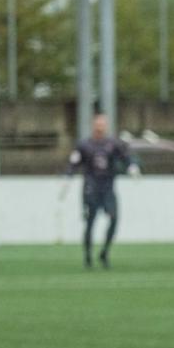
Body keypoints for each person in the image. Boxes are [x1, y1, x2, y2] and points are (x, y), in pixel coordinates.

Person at [67, 113, 139, 268]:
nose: (100, 127)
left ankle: (104, 252)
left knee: (113, 218)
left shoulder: (113, 143)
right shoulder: (84, 144)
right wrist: (68, 176)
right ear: (93, 125)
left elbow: (126, 156)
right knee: (90, 222)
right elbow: (74, 162)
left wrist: (132, 167)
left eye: (103, 124)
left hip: (107, 187)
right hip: (91, 187)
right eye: (97, 124)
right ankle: (87, 256)